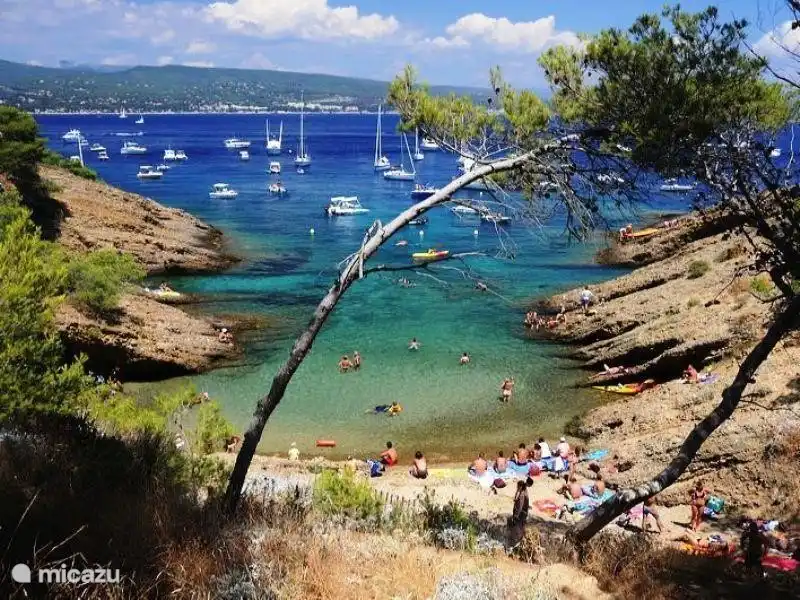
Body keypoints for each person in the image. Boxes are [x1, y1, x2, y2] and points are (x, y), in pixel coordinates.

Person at [508, 478, 532, 546]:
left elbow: (520, 506)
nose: (516, 487)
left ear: (520, 486)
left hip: (520, 513)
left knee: (517, 527)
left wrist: (516, 515)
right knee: (521, 526)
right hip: (523, 512)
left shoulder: (522, 494)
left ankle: (516, 541)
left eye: (517, 486)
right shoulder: (524, 490)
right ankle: (519, 539)